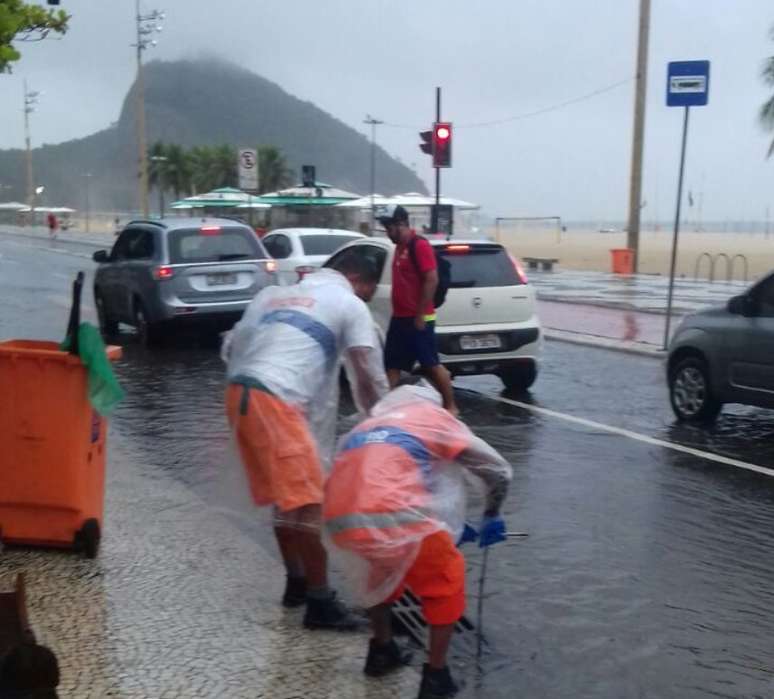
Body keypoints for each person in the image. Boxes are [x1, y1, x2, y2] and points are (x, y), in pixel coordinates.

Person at [221, 255, 389, 630]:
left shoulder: (275, 295)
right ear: (360, 282)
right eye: (370, 290)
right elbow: (367, 372)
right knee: (309, 505)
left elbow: (233, 346)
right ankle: (319, 602)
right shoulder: (350, 303)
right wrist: (382, 420)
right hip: (278, 399)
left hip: (240, 394)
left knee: (286, 501)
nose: (368, 295)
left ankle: (296, 583)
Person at [322, 380, 512, 698]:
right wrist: (492, 513)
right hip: (398, 518)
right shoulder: (431, 418)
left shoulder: (365, 427)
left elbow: (394, 478)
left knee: (380, 578)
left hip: (342, 522)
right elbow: (496, 470)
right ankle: (436, 676)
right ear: (428, 402)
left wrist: (447, 524)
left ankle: (381, 651)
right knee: (443, 585)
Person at [377, 204, 458, 416]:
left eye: (389, 228)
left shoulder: (419, 246)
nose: (388, 233)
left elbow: (431, 279)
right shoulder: (399, 248)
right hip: (400, 317)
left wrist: (420, 315)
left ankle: (451, 406)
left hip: (419, 318)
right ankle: (387, 408)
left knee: (430, 363)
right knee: (392, 363)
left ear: (401, 224)